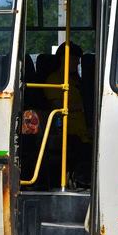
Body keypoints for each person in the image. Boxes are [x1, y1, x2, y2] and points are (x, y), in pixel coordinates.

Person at [43, 42, 92, 190]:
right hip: (68, 131)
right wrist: (87, 108)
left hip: (84, 131)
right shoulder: (54, 79)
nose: (78, 62)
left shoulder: (75, 79)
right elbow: (60, 104)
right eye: (74, 58)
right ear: (63, 58)